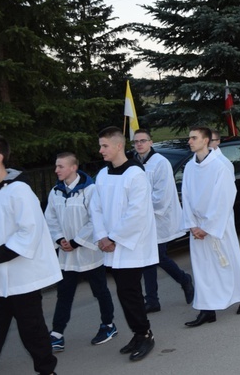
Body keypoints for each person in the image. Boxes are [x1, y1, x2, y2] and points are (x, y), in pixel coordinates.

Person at [0, 135, 62, 375]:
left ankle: (47, 372)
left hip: (21, 279)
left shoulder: (19, 190)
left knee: (32, 332)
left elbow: (29, 232)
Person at [90, 126, 157, 362]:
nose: (101, 150)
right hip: (111, 243)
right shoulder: (102, 174)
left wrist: (114, 238)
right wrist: (101, 236)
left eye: (105, 146)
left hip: (130, 245)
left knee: (131, 292)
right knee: (125, 292)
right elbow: (95, 208)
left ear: (119, 146)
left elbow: (136, 213)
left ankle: (145, 334)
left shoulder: (135, 174)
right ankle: (138, 333)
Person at [181, 127, 240, 326]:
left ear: (206, 140)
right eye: (190, 138)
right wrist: (192, 225)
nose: (190, 141)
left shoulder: (220, 166)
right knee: (202, 268)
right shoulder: (189, 167)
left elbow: (224, 198)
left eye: (194, 138)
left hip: (217, 226)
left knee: (228, 262)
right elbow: (185, 196)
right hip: (197, 229)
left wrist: (208, 226)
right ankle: (207, 309)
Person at [45, 152, 116, 352]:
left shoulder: (90, 190)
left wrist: (76, 242)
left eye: (60, 166)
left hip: (89, 253)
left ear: (73, 168)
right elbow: (50, 219)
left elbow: (96, 220)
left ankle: (108, 325)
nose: (56, 170)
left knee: (100, 291)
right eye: (56, 166)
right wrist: (60, 239)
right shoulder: (55, 192)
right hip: (66, 255)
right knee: (64, 294)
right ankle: (57, 333)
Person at [132, 129, 194, 314]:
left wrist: (141, 209)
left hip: (159, 217)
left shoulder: (160, 163)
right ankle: (152, 300)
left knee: (157, 256)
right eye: (136, 142)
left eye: (143, 141)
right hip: (144, 219)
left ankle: (184, 280)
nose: (139, 144)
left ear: (151, 142)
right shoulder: (134, 163)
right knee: (149, 259)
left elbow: (162, 196)